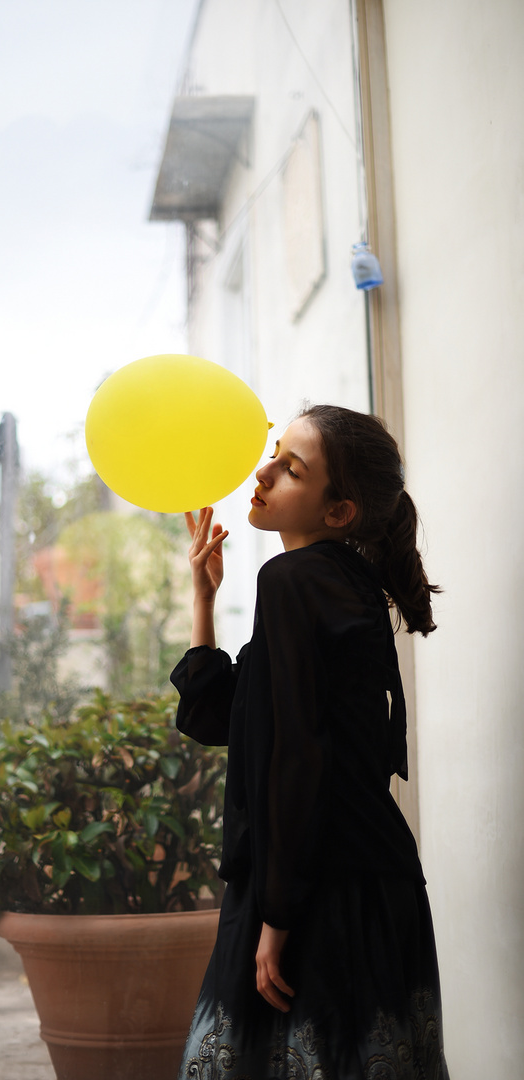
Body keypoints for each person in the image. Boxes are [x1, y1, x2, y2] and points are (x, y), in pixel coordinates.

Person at [170, 405, 449, 1080]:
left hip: (317, 891)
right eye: (273, 453)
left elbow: (299, 760)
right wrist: (204, 602)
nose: (263, 471)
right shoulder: (338, 582)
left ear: (338, 512)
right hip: (359, 881)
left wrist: (278, 916)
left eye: (291, 468)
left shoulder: (296, 580)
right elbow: (226, 721)